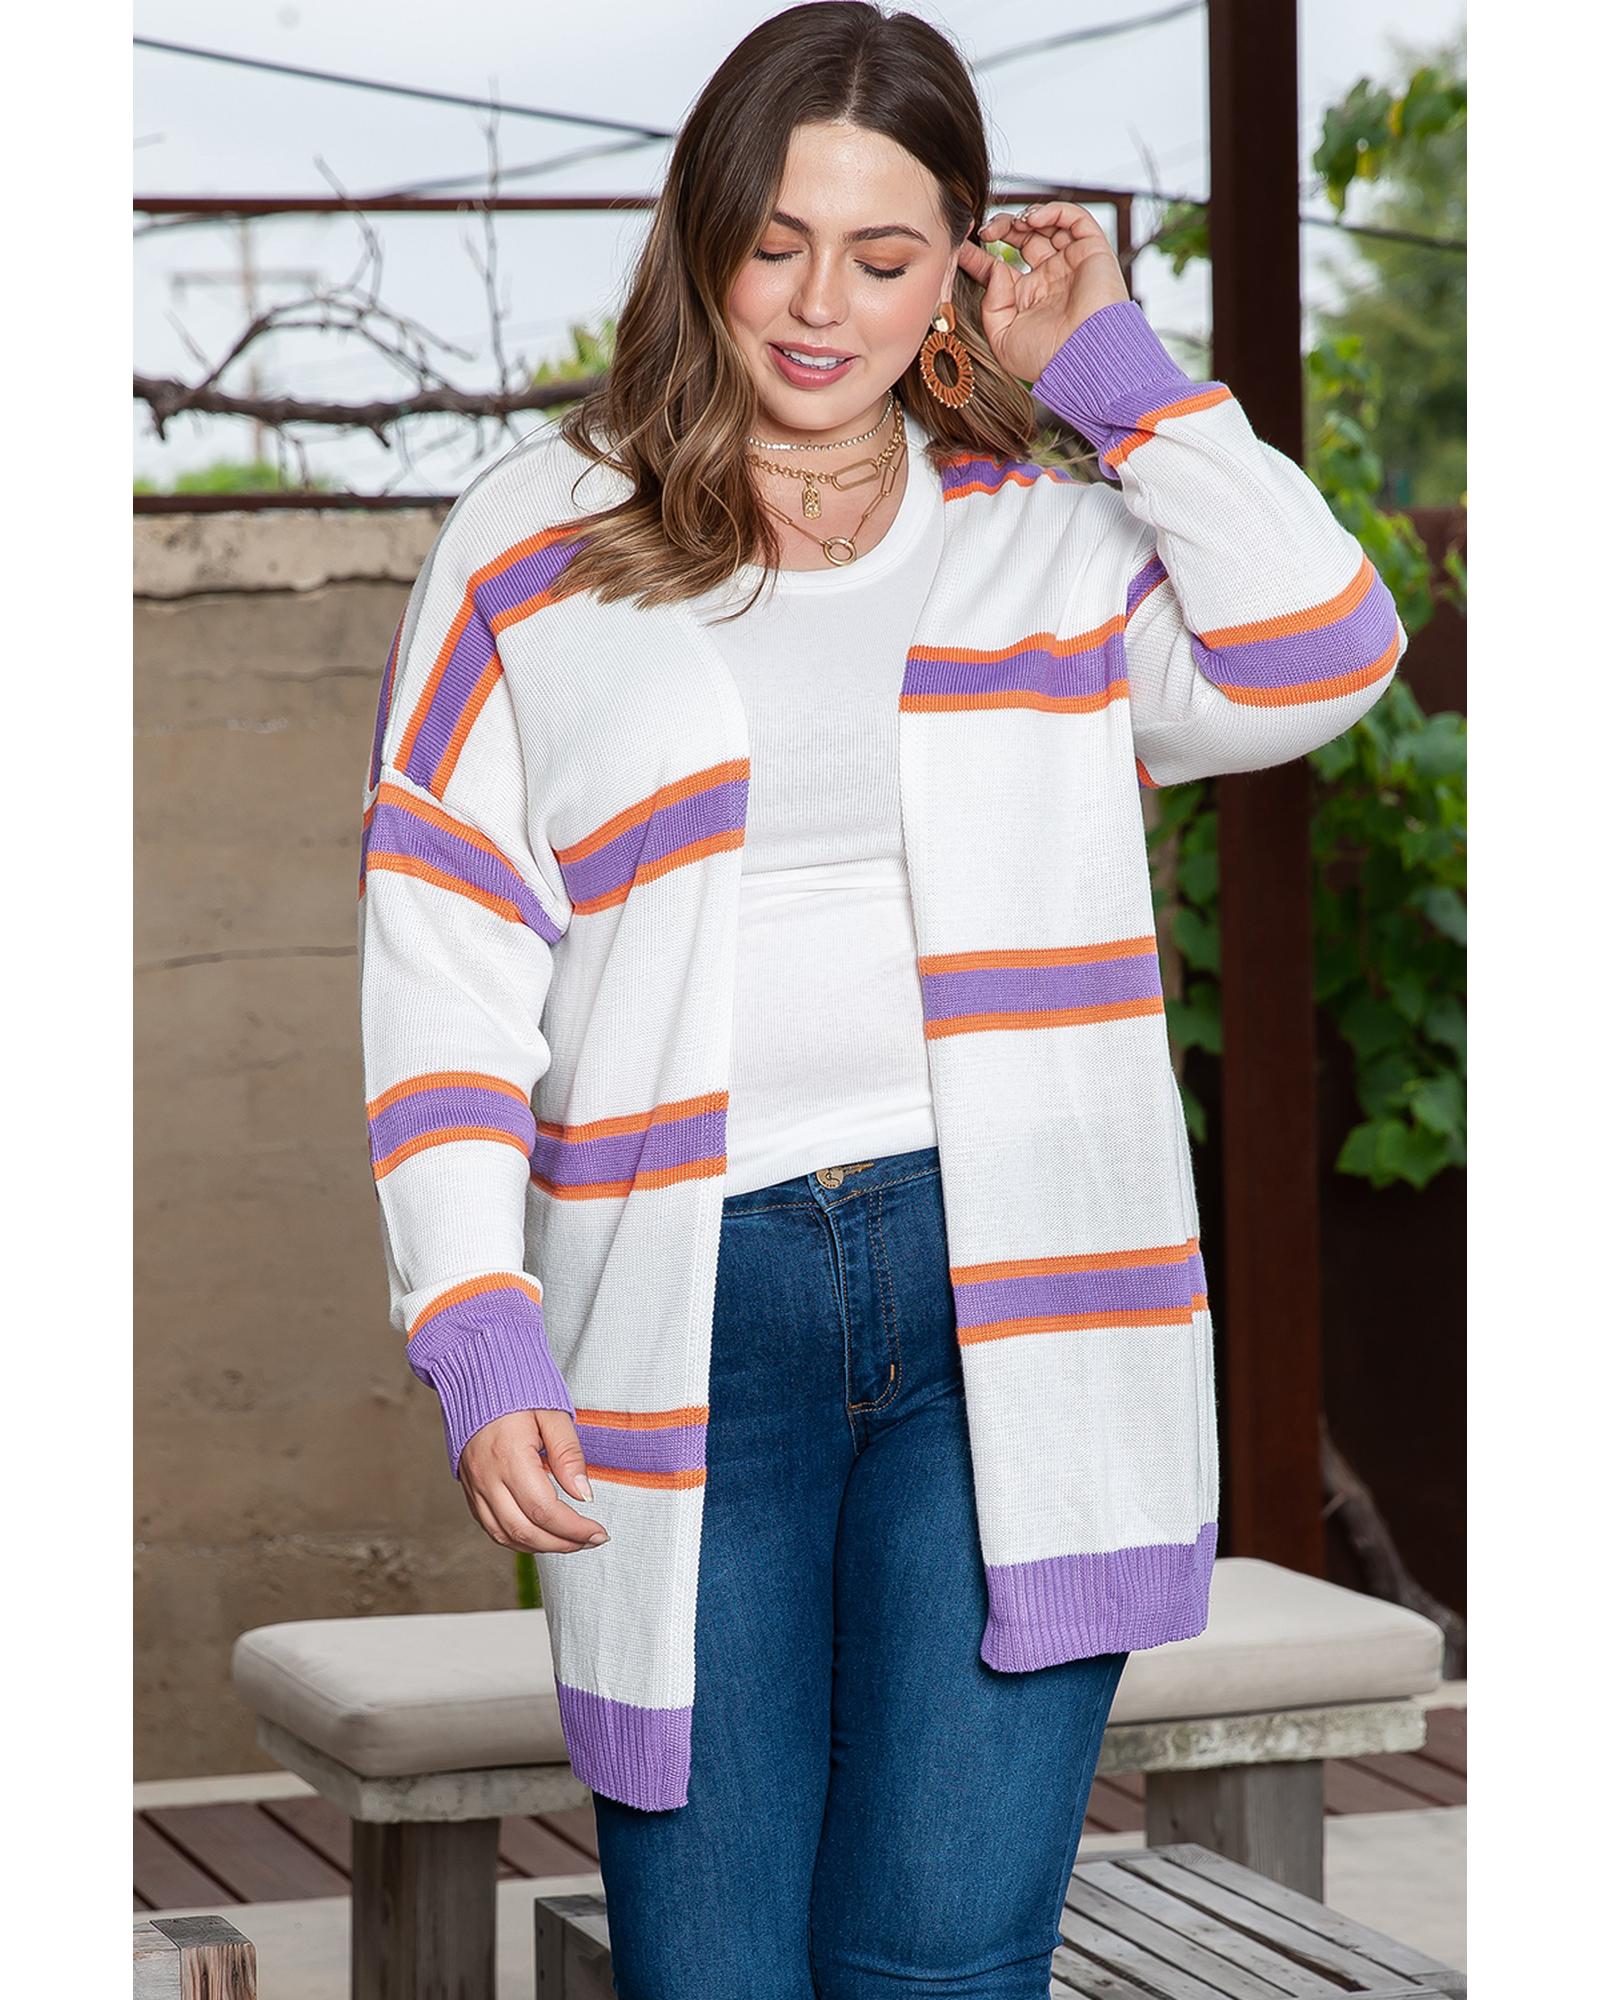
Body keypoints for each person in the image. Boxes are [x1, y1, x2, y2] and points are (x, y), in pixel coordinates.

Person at [356, 6, 1406, 1992]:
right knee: (713, 1970)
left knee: (939, 1963)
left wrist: (1112, 374)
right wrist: (473, 1312)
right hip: (683, 1312)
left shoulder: (1047, 549)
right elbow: (444, 949)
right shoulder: (531, 542)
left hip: (1010, 1303)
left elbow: (1322, 650)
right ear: (700, 239)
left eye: (880, 251)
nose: (816, 303)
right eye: (772, 242)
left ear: (954, 274)